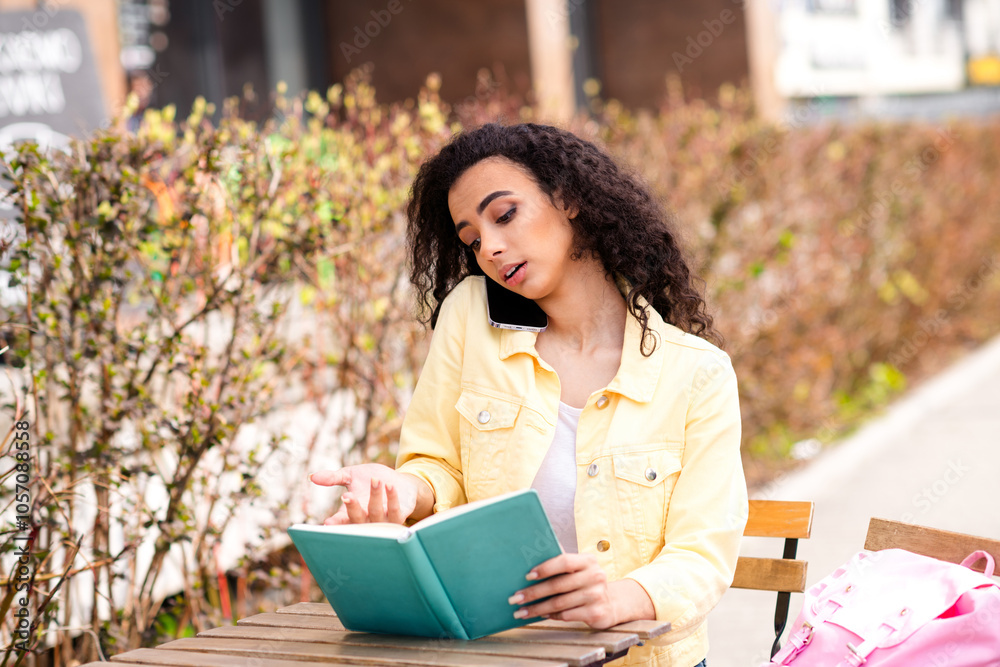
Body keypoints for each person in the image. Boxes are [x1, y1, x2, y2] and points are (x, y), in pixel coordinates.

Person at [310, 122, 748, 667]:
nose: (489, 248)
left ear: (567, 199)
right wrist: (402, 491)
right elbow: (439, 466)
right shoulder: (471, 316)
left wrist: (613, 599)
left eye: (505, 215)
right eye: (470, 239)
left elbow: (702, 555)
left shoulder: (696, 374)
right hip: (501, 654)